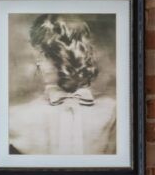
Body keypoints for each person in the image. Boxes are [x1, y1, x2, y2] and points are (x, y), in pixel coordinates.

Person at [8, 14, 116, 156]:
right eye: (39, 55)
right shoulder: (16, 119)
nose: (38, 63)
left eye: (46, 55)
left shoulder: (112, 113)